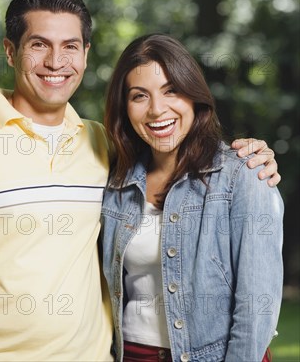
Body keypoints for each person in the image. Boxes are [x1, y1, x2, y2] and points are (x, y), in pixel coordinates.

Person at [0, 0, 280, 361]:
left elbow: (255, 304)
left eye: (69, 46)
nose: (55, 61)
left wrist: (253, 157)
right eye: (38, 45)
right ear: (10, 51)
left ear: (85, 54)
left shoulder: (99, 146)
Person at [101, 34, 284, 362]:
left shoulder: (243, 174)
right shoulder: (114, 184)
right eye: (139, 96)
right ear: (124, 108)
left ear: (193, 95)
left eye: (171, 90)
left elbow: (257, 307)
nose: (157, 110)